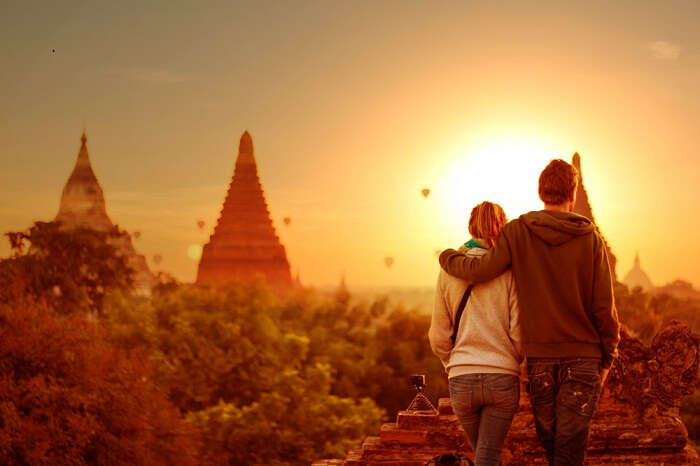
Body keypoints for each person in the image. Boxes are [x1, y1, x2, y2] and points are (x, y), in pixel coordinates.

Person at [438, 159, 620, 466]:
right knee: (569, 453)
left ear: (540, 191)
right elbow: (604, 308)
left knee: (553, 450)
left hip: (541, 363)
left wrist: (447, 257)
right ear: (572, 194)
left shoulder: (517, 232)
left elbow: (480, 270)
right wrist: (608, 358)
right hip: (584, 358)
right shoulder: (591, 239)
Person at [429, 201, 522, 466]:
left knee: (486, 455)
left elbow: (438, 335)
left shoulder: (448, 271)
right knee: (488, 456)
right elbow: (518, 331)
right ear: (502, 227)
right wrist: (510, 360)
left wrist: (453, 362)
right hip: (502, 377)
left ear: (470, 227)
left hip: (462, 378)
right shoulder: (509, 271)